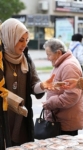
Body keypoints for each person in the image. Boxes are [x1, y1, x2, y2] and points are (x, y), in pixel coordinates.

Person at [0, 18, 53, 146]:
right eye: (20, 40)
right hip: (3, 119)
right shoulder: (1, 60)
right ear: (9, 38)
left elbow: (33, 85)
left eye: (26, 40)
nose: (24, 44)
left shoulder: (27, 60)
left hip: (21, 120)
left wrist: (42, 86)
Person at [42, 38, 83, 136]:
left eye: (49, 54)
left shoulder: (69, 66)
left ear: (58, 52)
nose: (48, 58)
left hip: (67, 123)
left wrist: (50, 102)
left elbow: (72, 96)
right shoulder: (62, 63)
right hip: (62, 120)